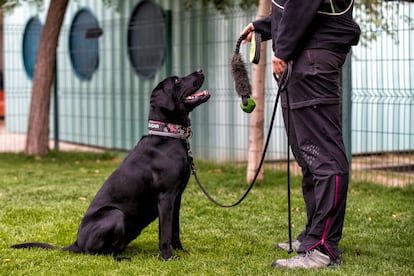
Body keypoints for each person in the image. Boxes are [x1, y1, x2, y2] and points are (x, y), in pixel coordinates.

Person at [240, 0, 360, 269]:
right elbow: (291, 7)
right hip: (306, 53)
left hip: (312, 55)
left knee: (324, 158)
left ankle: (322, 248)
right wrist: (263, 26)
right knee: (309, 154)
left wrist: (282, 50)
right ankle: (312, 235)